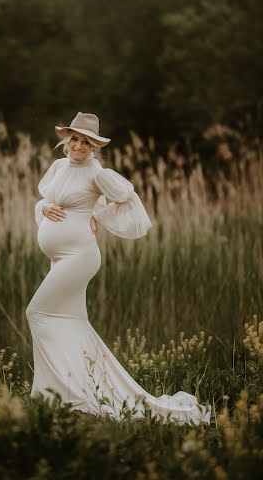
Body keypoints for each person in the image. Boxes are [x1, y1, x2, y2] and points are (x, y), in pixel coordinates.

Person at [26, 112, 211, 425]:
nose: (78, 145)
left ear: (95, 147)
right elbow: (44, 201)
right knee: (72, 322)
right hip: (59, 257)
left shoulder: (97, 173)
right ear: (66, 139)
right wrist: (44, 207)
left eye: (86, 141)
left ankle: (58, 391)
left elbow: (127, 197)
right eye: (74, 138)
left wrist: (99, 215)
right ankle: (73, 391)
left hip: (79, 256)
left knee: (37, 312)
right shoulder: (58, 167)